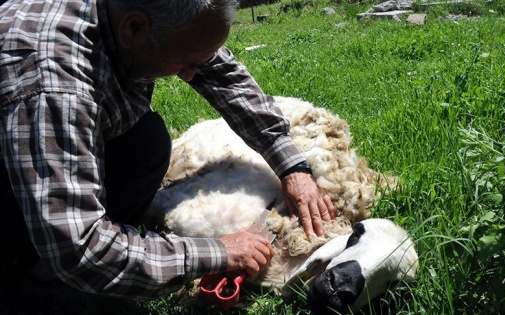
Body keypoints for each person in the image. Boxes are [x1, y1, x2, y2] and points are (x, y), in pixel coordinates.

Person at [0, 0, 336, 302]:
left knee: (147, 143)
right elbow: (77, 247)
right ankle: (27, 268)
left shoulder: (139, 19)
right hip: (15, 166)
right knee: (68, 258)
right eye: (185, 63)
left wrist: (292, 166)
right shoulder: (54, 87)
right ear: (133, 28)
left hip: (41, 136)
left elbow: (220, 73)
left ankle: (112, 250)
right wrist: (215, 252)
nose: (192, 74)